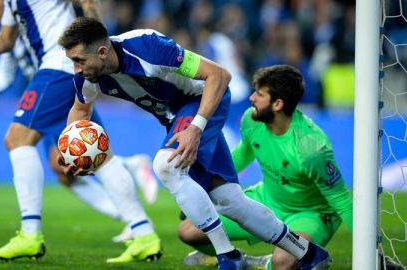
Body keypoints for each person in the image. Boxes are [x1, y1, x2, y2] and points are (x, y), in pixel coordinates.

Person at [58, 17, 332, 270]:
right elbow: (81, 112)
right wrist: (72, 153)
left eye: (80, 60)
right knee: (230, 201)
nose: (77, 68)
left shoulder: (148, 47)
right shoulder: (87, 77)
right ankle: (309, 254)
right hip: (176, 117)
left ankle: (228, 255)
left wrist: (195, 128)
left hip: (202, 101)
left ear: (102, 52)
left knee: (166, 165)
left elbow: (219, 76)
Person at [0, 0, 161, 262]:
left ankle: (30, 235)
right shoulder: (13, 4)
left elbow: (87, 2)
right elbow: (4, 41)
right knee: (94, 154)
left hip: (59, 67)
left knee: (17, 138)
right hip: (65, 71)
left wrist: (96, 41)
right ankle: (144, 233)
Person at [178, 65, 353, 270]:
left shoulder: (311, 149)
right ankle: (236, 257)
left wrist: (370, 252)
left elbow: (341, 199)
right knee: (189, 230)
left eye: (259, 94)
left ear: (277, 104)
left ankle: (266, 263)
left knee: (283, 263)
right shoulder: (252, 120)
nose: (252, 98)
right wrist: (202, 187)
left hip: (308, 213)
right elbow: (242, 155)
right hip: (268, 199)